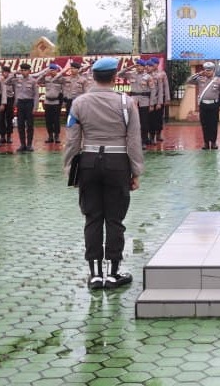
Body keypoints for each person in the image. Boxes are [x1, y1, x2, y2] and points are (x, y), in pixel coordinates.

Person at [63, 57, 144, 290]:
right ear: (114, 77)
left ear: (93, 77)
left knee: (92, 217)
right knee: (115, 219)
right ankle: (114, 273)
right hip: (117, 162)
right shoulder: (126, 103)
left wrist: (71, 170)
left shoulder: (80, 102)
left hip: (88, 162)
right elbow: (134, 140)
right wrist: (136, 171)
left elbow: (72, 140)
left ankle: (95, 274)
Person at [186, 61, 220, 150]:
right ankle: (206, 143)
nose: (208, 72)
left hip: (214, 105)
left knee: (213, 124)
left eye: (210, 70)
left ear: (213, 70)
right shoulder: (200, 79)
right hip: (203, 105)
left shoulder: (218, 80)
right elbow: (189, 80)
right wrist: (199, 73)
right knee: (205, 124)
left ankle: (214, 142)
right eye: (206, 70)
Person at [119, 60, 154, 149]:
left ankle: (144, 140)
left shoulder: (148, 77)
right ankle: (134, 140)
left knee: (144, 122)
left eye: (140, 66)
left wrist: (151, 104)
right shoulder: (131, 74)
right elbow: (119, 74)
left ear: (144, 67)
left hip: (144, 101)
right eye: (137, 66)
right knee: (132, 121)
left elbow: (152, 90)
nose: (139, 67)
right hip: (133, 100)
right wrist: (130, 67)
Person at [6, 63, 41, 152]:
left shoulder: (33, 81)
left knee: (29, 125)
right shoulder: (17, 79)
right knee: (20, 125)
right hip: (20, 104)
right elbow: (6, 82)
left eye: (25, 70)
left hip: (29, 104)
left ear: (29, 71)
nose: (23, 72)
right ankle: (22, 144)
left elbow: (36, 95)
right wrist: (14, 73)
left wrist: (35, 107)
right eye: (22, 70)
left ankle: (29, 145)